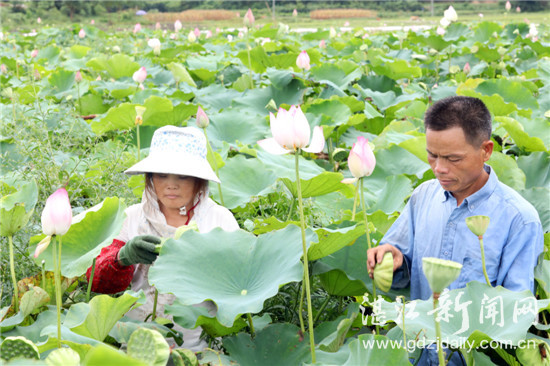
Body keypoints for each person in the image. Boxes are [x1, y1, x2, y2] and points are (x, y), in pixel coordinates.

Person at [366, 96, 543, 364]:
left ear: (486, 150)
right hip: (418, 355)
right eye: (432, 155)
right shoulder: (423, 196)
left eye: (453, 158)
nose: (439, 168)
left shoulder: (519, 220)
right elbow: (401, 274)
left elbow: (515, 316)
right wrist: (392, 260)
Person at [86, 125, 239, 351]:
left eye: (183, 176)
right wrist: (122, 257)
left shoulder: (219, 221)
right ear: (150, 178)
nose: (171, 184)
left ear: (199, 180)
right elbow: (96, 281)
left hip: (199, 351)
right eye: (161, 174)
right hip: (136, 347)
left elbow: (238, 287)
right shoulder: (132, 218)